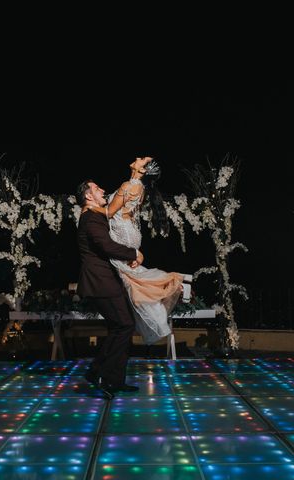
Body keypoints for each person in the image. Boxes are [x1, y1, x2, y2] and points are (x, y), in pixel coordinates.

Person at [87, 157, 189, 344]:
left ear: (143, 170)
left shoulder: (131, 185)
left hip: (124, 235)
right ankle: (156, 305)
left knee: (130, 275)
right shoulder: (138, 187)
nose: (138, 158)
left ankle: (159, 305)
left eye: (142, 160)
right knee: (132, 275)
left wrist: (90, 206)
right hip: (129, 233)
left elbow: (109, 212)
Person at [76, 179, 144, 397]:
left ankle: (111, 378)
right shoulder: (90, 218)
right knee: (124, 326)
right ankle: (102, 375)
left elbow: (116, 205)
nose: (103, 189)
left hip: (107, 280)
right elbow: (105, 246)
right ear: (88, 196)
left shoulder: (95, 215)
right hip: (100, 281)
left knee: (121, 327)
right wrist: (134, 253)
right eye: (97, 188)